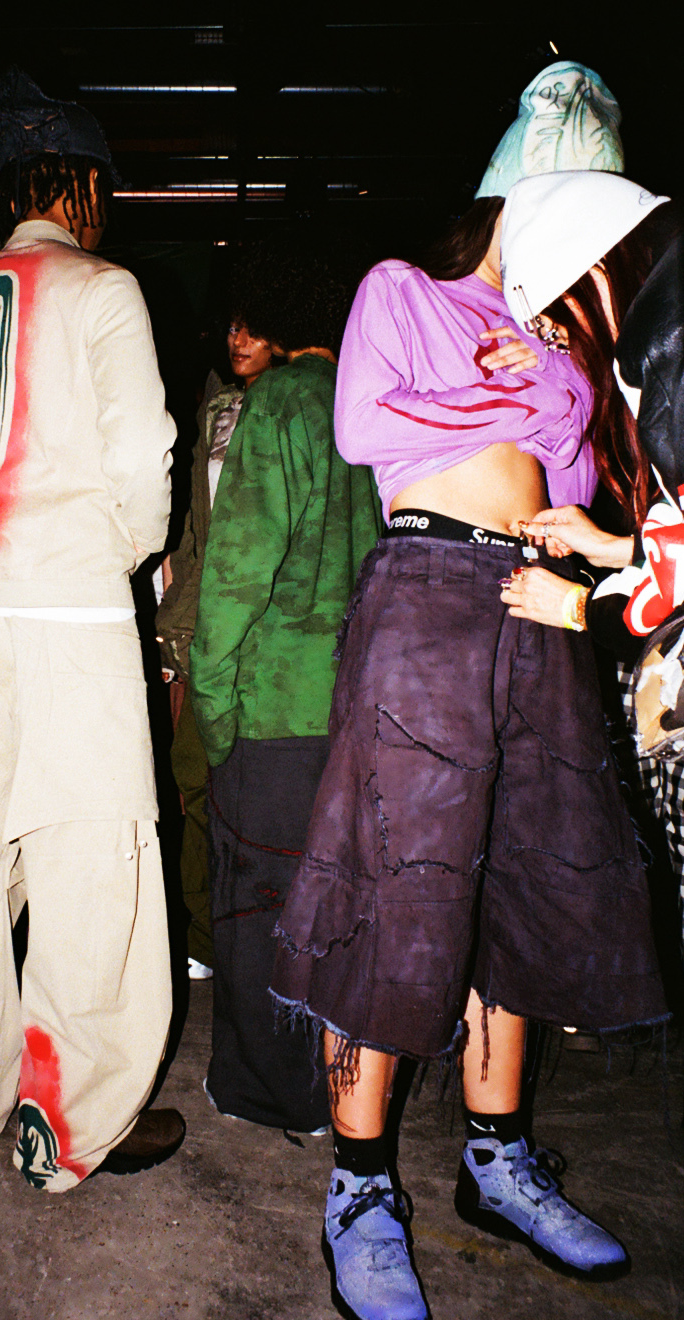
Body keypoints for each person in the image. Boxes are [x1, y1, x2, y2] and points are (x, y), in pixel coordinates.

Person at [270, 196, 668, 1318]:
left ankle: (495, 1162)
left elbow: (572, 492)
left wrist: (563, 386)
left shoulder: (556, 334)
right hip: (423, 585)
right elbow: (365, 425)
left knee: (521, 878)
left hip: (537, 600)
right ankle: (358, 1186)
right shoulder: (402, 289)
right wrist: (529, 395)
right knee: (396, 886)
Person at [0, 71, 183, 1190]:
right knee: (90, 864)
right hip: (74, 620)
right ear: (84, 187)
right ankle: (69, 1122)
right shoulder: (104, 291)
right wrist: (117, 562)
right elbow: (141, 456)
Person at [189, 241, 383, 1133]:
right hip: (357, 701)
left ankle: (271, 1092)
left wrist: (211, 703)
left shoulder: (276, 402)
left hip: (273, 706)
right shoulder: (370, 403)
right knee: (333, 907)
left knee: (255, 906)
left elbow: (236, 571)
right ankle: (336, 1088)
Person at [495, 170, 682, 933]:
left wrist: (578, 606)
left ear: (592, 275)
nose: (563, 347)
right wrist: (612, 547)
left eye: (553, 326)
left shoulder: (662, 338)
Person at [156, 300, 277, 981]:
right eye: (231, 326)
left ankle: (260, 938)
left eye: (252, 327)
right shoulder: (215, 410)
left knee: (260, 789)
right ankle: (203, 934)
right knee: (195, 779)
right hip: (208, 623)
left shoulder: (300, 407)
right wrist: (174, 620)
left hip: (272, 627)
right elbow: (194, 535)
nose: (239, 339)